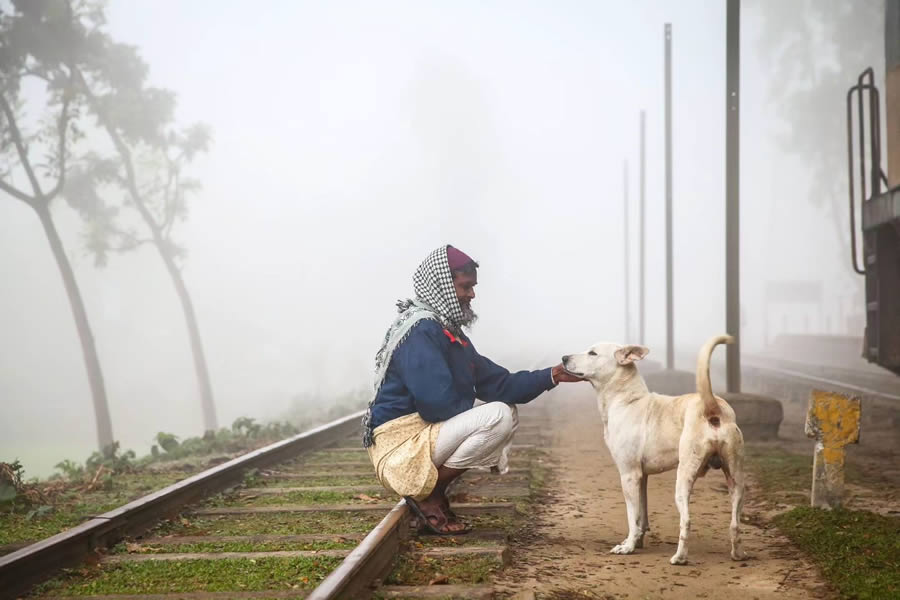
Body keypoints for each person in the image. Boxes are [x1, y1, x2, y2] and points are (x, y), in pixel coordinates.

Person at [362, 245, 582, 534]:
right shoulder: (422, 330)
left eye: (473, 287)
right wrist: (479, 418)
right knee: (498, 416)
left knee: (505, 414)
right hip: (400, 447)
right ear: (442, 285)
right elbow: (436, 404)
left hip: (418, 437)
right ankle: (429, 492)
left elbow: (497, 383)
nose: (472, 295)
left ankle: (431, 489)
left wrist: (551, 375)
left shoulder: (446, 329)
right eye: (465, 286)